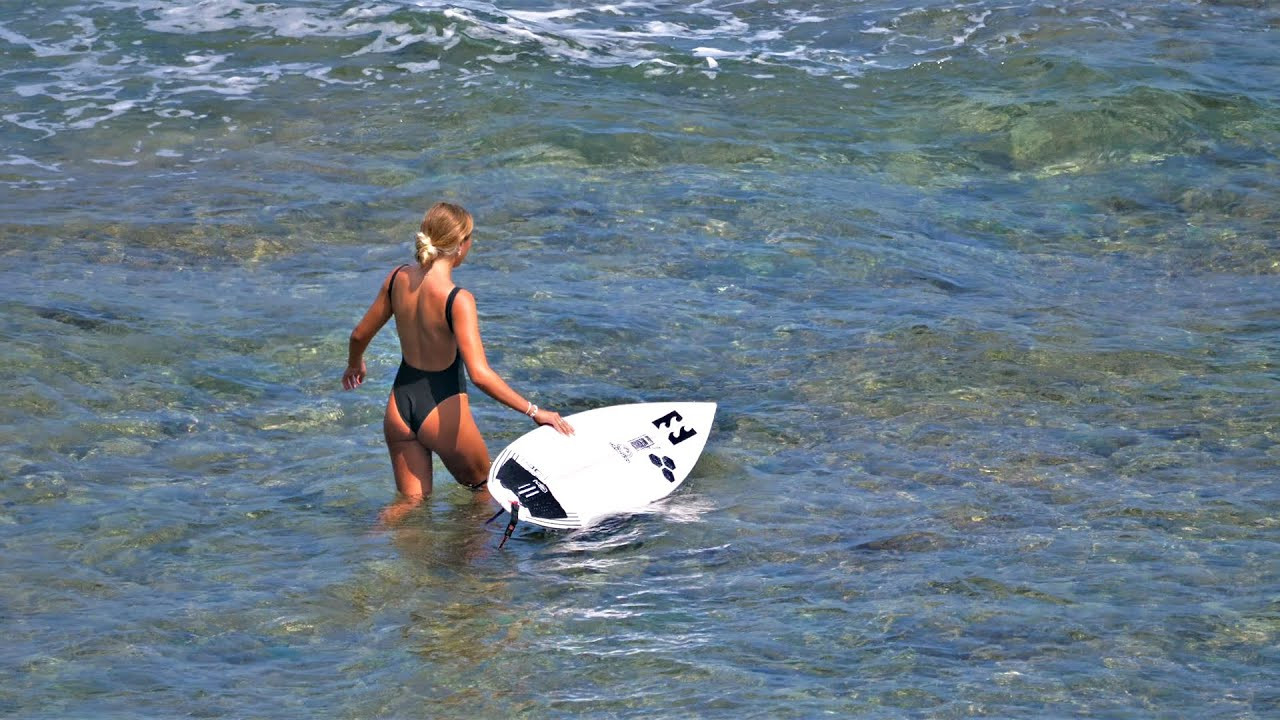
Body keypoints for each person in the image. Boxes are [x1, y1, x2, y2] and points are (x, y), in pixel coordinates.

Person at [342, 202, 573, 517]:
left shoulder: (397, 278)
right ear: (461, 246)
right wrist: (534, 411)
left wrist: (356, 364)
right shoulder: (457, 299)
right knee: (486, 490)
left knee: (409, 506)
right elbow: (480, 374)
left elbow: (358, 335)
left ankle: (370, 554)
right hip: (441, 407)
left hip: (399, 405)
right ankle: (471, 565)